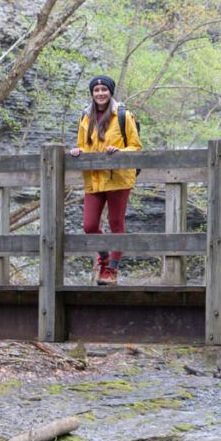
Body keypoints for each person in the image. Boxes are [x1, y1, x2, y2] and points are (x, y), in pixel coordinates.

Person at [69, 75, 142, 285]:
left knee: (116, 223)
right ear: (92, 93)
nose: (100, 93)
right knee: (89, 225)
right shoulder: (85, 116)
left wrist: (119, 151)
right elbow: (83, 144)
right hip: (94, 178)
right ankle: (104, 256)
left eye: (104, 89)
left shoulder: (123, 115)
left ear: (110, 92)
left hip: (118, 178)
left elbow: (136, 147)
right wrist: (78, 151)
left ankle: (111, 270)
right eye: (96, 90)